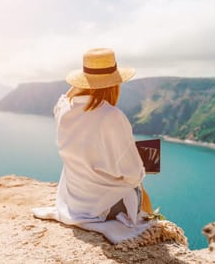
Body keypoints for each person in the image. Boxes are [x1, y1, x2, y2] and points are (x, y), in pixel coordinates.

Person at [54, 47, 152, 227]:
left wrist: (86, 80)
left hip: (74, 202)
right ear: (115, 83)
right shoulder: (112, 116)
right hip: (102, 208)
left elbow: (65, 97)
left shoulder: (63, 108)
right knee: (140, 188)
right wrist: (142, 165)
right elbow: (133, 175)